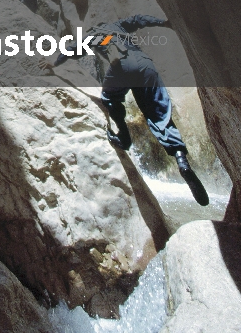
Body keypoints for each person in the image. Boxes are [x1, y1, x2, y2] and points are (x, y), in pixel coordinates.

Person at [87, 14, 209, 206]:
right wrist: (165, 23)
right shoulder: (117, 25)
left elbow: (73, 50)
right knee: (159, 114)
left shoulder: (93, 35)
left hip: (123, 67)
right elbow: (138, 19)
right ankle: (181, 159)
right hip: (145, 65)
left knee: (109, 97)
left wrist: (53, 62)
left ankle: (124, 137)